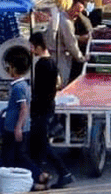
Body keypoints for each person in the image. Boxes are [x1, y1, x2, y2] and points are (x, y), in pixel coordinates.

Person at [27, 33, 75, 188]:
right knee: (39, 144)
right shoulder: (52, 63)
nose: (31, 50)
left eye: (32, 46)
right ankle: (40, 175)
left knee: (42, 144)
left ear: (38, 46)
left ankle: (63, 172)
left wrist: (32, 105)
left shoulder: (41, 64)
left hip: (41, 109)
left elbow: (39, 91)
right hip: (48, 107)